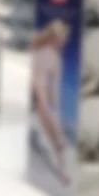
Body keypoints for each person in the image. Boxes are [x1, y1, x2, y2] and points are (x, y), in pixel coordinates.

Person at [30, 19, 71, 184]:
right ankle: (63, 167)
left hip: (39, 93)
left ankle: (62, 166)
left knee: (52, 129)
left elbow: (50, 87)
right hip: (40, 94)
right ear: (56, 38)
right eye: (62, 39)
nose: (63, 42)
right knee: (54, 131)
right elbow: (51, 88)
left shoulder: (42, 50)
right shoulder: (51, 56)